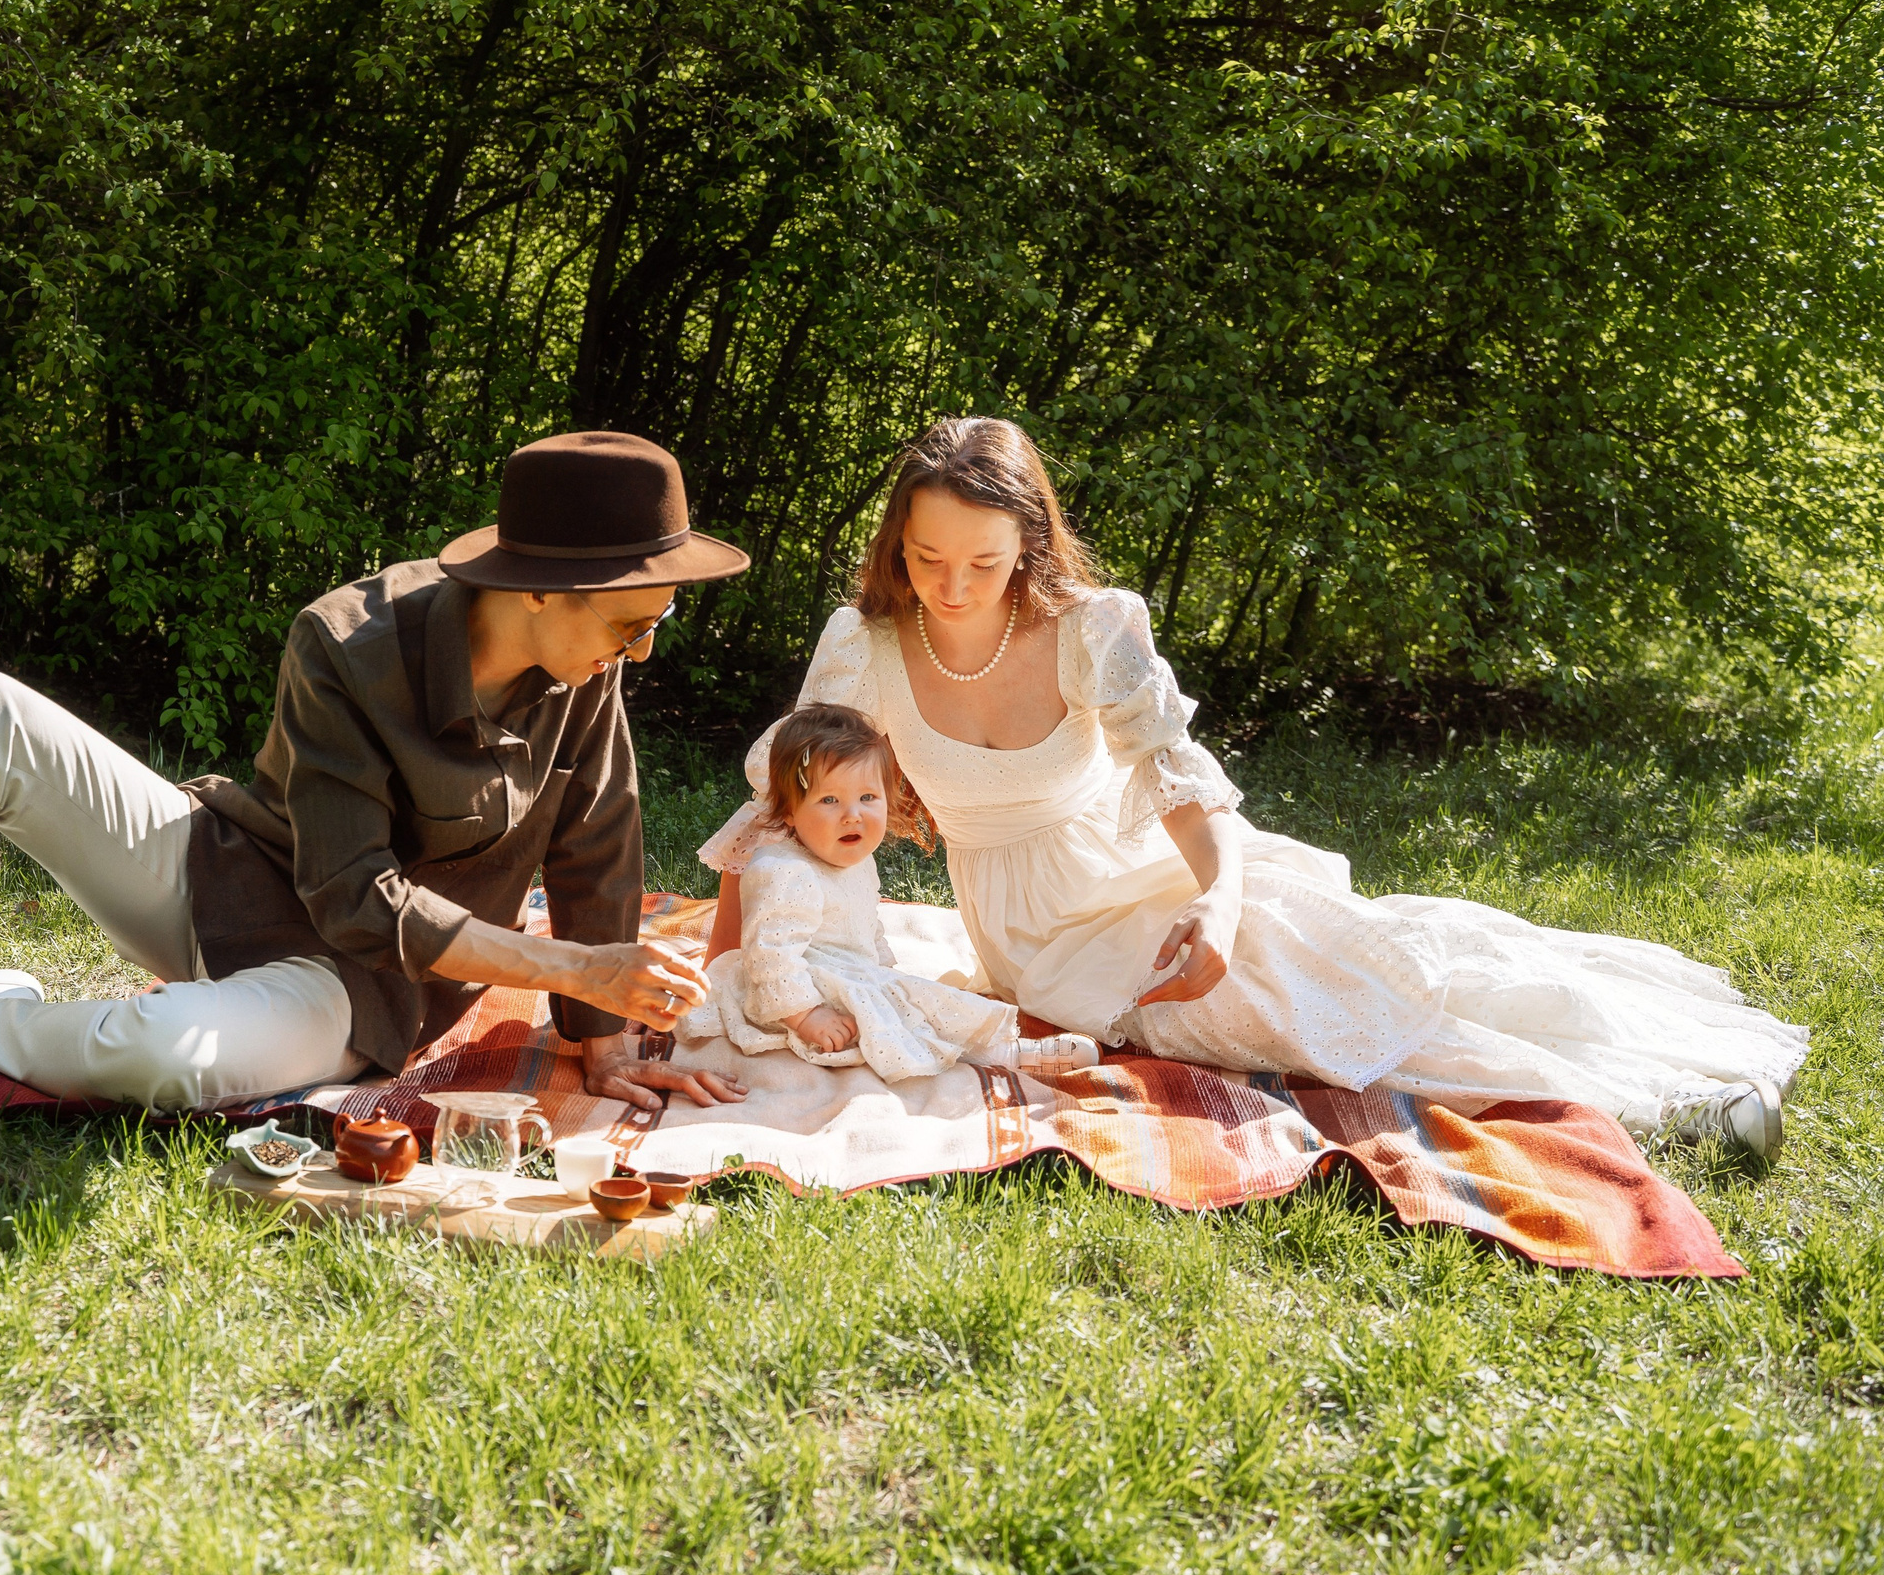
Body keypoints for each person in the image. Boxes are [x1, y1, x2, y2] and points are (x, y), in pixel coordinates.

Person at [0, 431, 751, 1171]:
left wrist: (597, 1041)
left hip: (359, 990)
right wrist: (564, 974)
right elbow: (347, 886)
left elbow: (599, 849)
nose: (643, 653)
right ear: (543, 589)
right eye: (632, 623)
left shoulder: (585, 671)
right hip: (237, 884)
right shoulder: (348, 639)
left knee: (170, 1052)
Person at [702, 417, 1808, 1157]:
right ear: (896, 545)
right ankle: (1669, 1109)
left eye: (981, 564)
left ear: (1028, 547)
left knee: (1320, 949)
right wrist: (721, 968)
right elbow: (782, 807)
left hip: (1157, 870)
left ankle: (1665, 1083)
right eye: (925, 557)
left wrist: (1213, 905)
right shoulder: (865, 642)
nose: (948, 587)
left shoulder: (1094, 629)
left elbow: (1180, 780)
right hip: (1033, 932)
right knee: (1280, 1012)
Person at [681, 703, 1102, 1082]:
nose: (852, 815)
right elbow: (768, 955)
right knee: (900, 1015)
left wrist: (884, 969)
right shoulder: (785, 872)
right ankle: (1008, 1056)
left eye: (868, 797)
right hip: (792, 993)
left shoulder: (857, 861)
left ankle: (985, 1047)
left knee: (911, 1001)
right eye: (829, 799)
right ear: (789, 810)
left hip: (843, 975)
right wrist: (806, 1015)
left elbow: (867, 926)